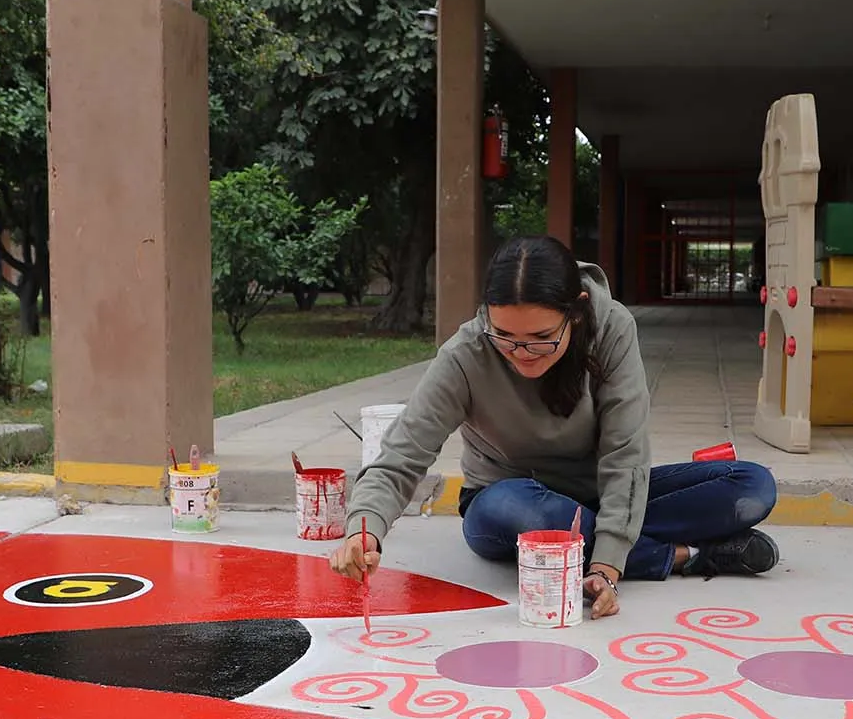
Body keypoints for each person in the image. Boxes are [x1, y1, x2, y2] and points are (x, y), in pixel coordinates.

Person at [329, 235, 780, 619]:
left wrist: (605, 564)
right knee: (517, 510)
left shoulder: (612, 329)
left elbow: (626, 453)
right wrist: (364, 528)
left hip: (597, 494)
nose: (522, 352)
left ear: (577, 312)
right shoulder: (466, 353)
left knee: (750, 485)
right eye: (505, 336)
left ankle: (604, 544)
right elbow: (402, 455)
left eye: (542, 338)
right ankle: (687, 556)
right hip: (510, 502)